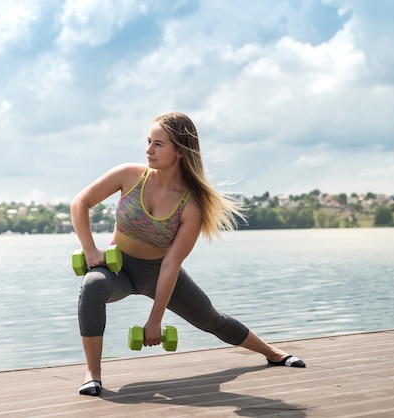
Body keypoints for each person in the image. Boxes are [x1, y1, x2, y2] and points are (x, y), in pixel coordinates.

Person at [70, 112, 305, 397]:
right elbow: (80, 203)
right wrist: (90, 248)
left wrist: (155, 320)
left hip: (160, 273)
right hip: (118, 269)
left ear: (179, 151)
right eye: (148, 141)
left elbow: (171, 264)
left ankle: (273, 353)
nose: (148, 150)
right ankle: (92, 375)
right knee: (92, 286)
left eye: (158, 144)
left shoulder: (192, 204)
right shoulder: (129, 176)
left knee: (211, 319)